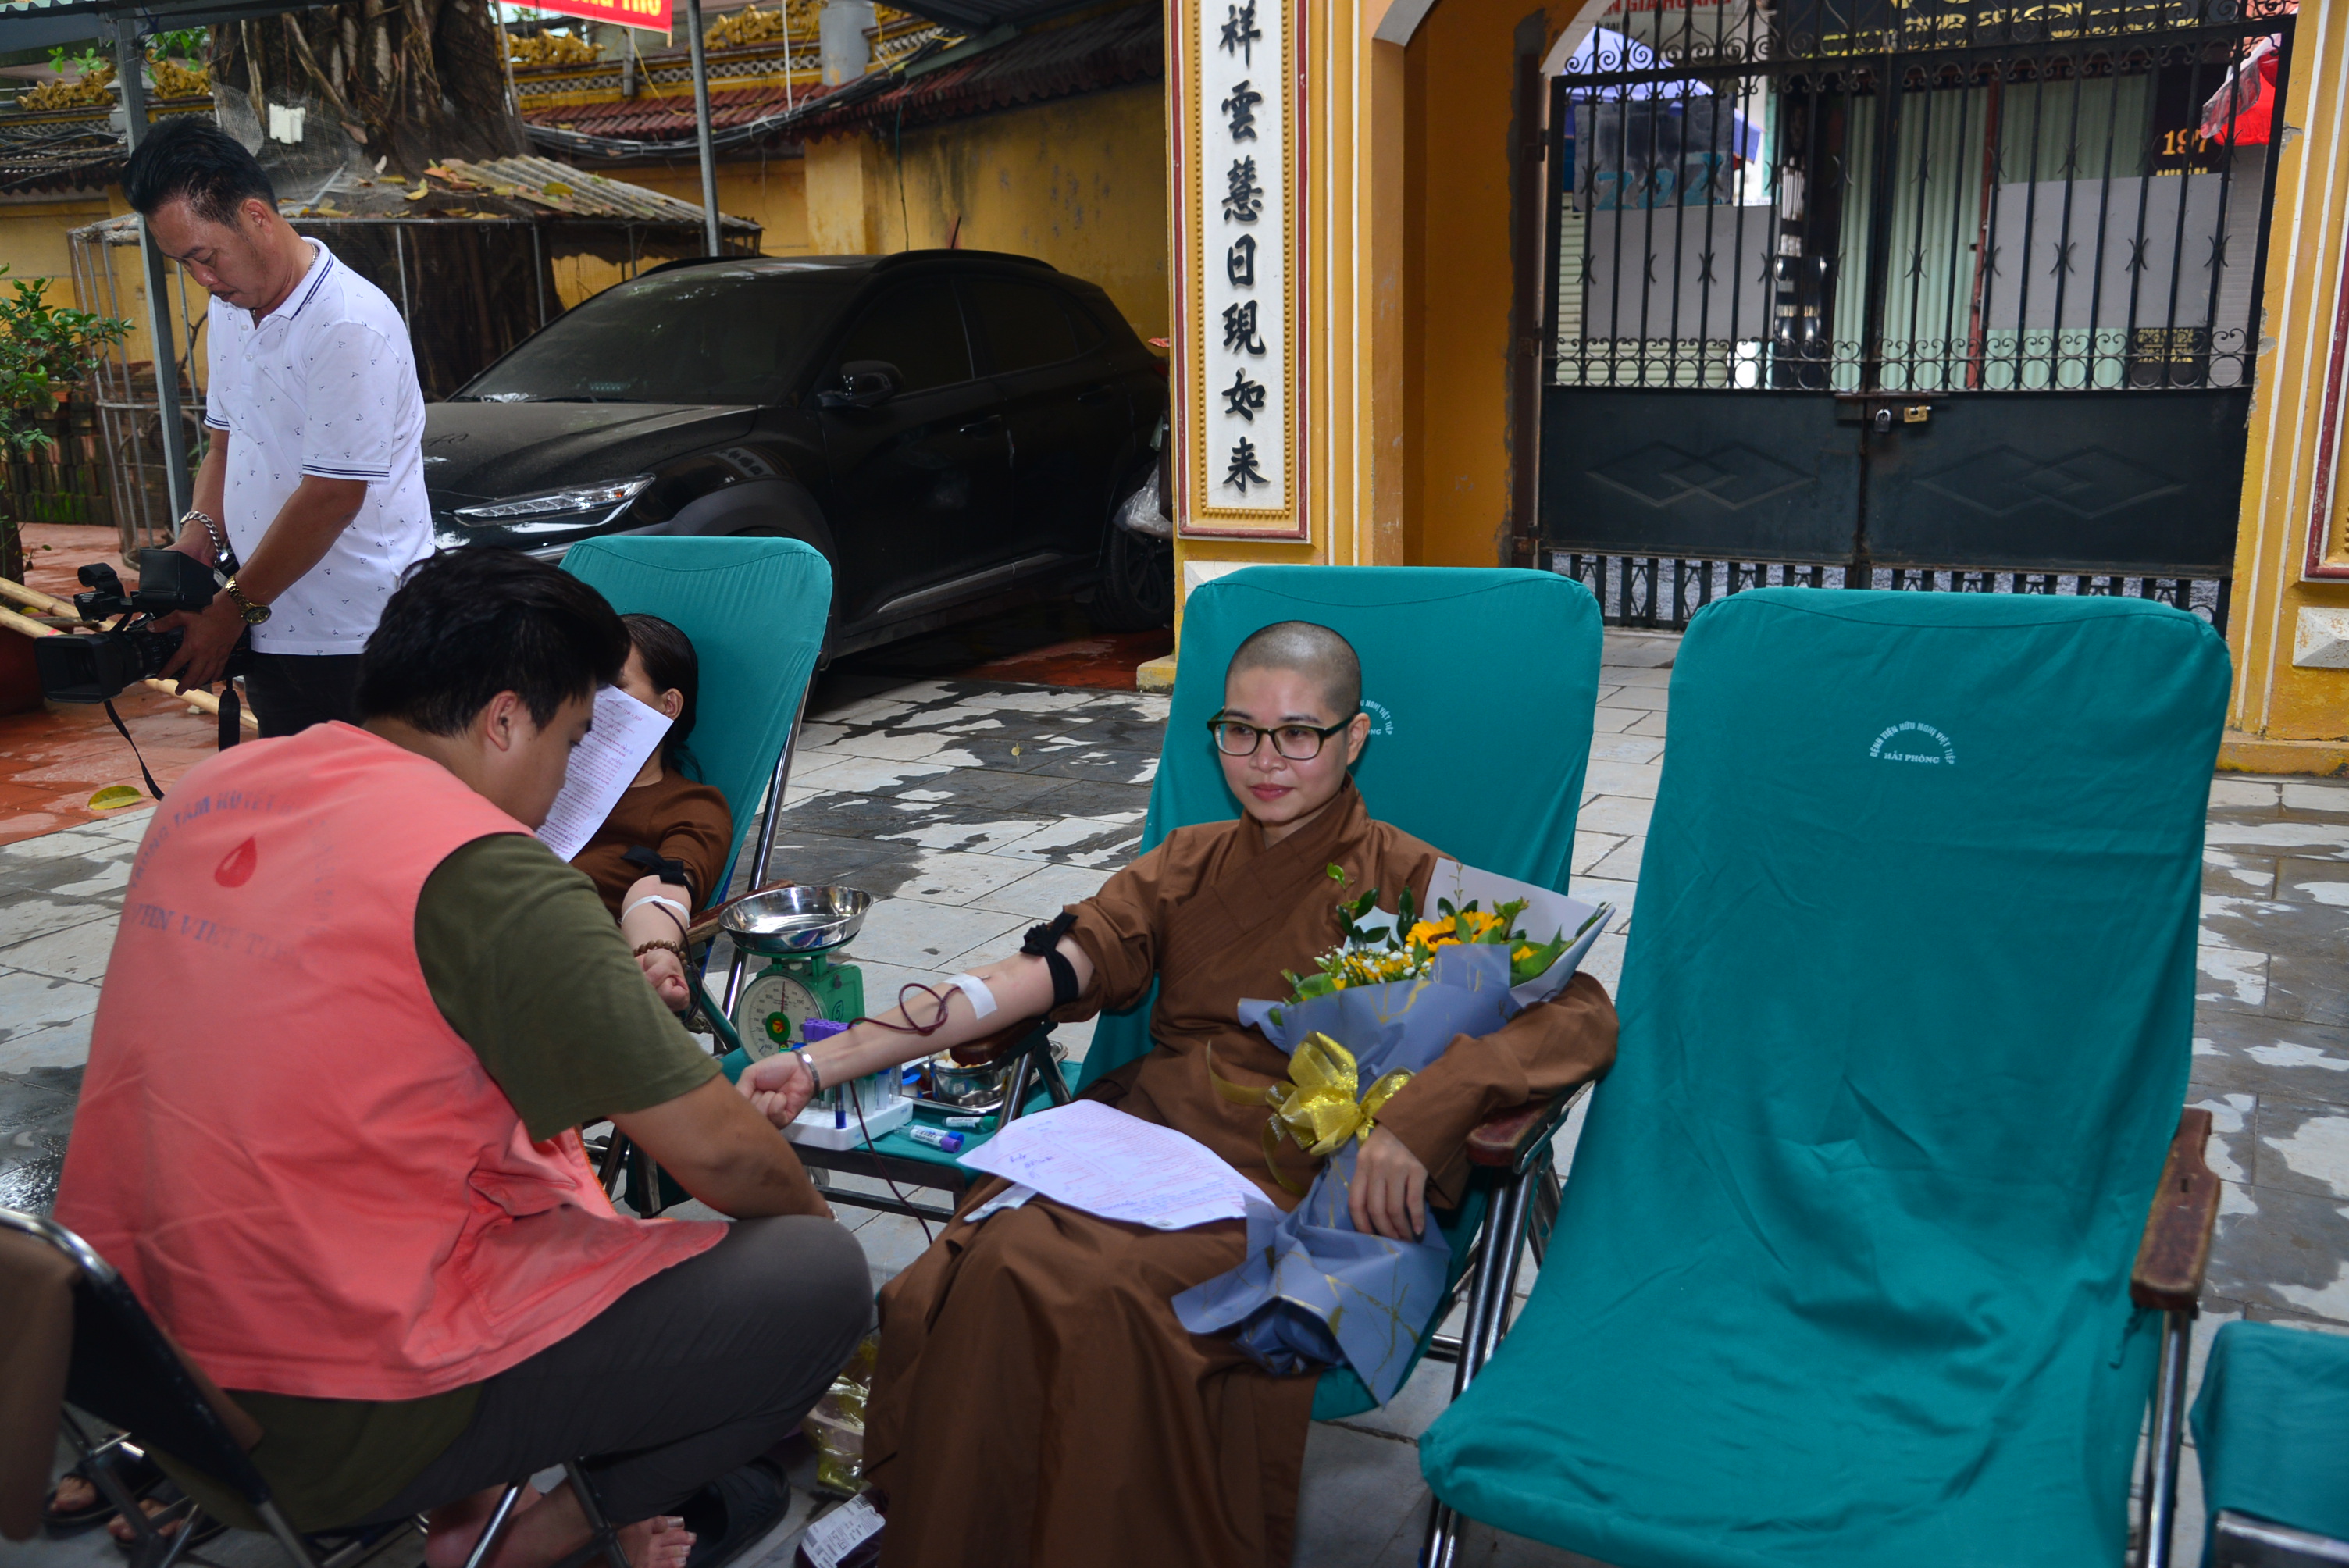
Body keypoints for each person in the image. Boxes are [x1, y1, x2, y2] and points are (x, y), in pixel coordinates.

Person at [736, 621, 1621, 1567]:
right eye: (1239, 730)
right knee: (989, 1264)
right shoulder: (1184, 864)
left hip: (1288, 1182)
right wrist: (827, 1062)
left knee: (1114, 1301)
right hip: (1144, 1141)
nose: (1264, 760)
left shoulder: (1415, 884)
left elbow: (1580, 1012)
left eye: (1298, 733)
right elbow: (1028, 977)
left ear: (1353, 737)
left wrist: (1418, 1116)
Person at [52, 548, 868, 1568]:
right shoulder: (484, 869)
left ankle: (479, 1508)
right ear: (506, 720)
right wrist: (804, 1215)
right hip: (329, 1419)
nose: (565, 781)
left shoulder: (214, 790)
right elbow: (726, 1157)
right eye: (574, 740)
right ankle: (543, 1534)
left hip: (145, 1366)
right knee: (817, 1277)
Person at [122, 116, 433, 736]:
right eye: (185, 264)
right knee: (300, 795)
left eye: (206, 257)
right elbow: (225, 441)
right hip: (270, 625)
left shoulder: (347, 325)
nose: (203, 279)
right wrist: (198, 537)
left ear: (257, 217)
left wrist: (229, 610)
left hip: (364, 637)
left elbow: (332, 496)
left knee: (382, 795)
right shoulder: (231, 307)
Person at [572, 614, 734, 1011]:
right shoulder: (535, 782)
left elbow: (665, 884)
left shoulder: (689, 806)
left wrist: (653, 950)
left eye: (613, 685)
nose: (592, 698)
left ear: (668, 705)